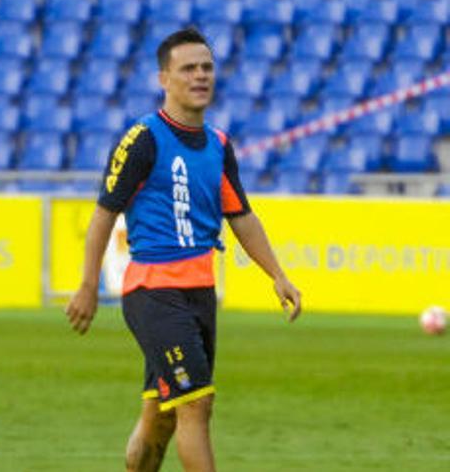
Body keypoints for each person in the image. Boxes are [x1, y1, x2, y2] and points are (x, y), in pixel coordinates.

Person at [65, 28, 304, 472]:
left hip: (199, 293)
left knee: (161, 419)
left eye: (207, 67)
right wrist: (85, 286)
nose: (200, 76)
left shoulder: (218, 144)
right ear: (164, 78)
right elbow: (103, 214)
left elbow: (242, 217)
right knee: (198, 404)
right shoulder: (143, 138)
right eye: (188, 68)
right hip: (154, 293)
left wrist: (278, 275)